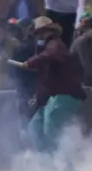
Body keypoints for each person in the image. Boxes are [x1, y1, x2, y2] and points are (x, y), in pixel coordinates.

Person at [15, 16, 86, 153]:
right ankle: (48, 167)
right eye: (38, 33)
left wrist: (30, 62)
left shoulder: (55, 45)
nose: (40, 35)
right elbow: (44, 80)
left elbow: (49, 55)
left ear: (51, 31)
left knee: (51, 128)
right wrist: (37, 97)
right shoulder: (44, 50)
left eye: (43, 32)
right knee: (35, 128)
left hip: (66, 94)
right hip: (52, 97)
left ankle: (65, 165)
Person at [70, 17, 92, 86]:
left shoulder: (91, 42)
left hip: (84, 76)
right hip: (77, 77)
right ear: (87, 30)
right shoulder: (81, 42)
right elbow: (86, 63)